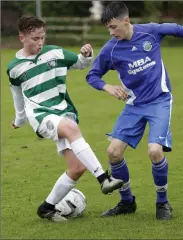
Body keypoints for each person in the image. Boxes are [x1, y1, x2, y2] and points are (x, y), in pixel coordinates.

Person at [86, 1, 183, 220]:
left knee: (155, 151)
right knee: (113, 152)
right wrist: (108, 87)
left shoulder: (150, 33)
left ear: (126, 21)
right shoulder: (111, 49)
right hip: (134, 105)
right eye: (108, 29)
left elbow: (176, 28)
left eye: (113, 27)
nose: (111, 32)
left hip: (159, 101)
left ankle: (162, 202)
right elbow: (92, 75)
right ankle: (127, 202)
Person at [7, 15, 124, 222]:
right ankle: (104, 179)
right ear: (22, 38)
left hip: (62, 112)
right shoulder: (14, 68)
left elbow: (80, 63)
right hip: (40, 116)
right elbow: (18, 97)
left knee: (77, 169)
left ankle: (46, 208)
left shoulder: (55, 52)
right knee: (70, 128)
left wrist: (86, 55)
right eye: (35, 39)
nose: (40, 42)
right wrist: (19, 120)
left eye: (42, 37)